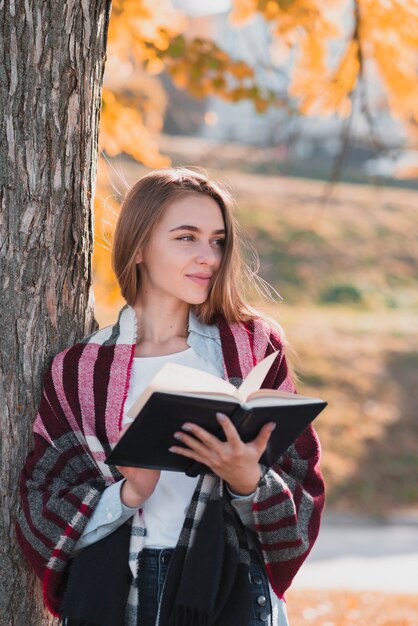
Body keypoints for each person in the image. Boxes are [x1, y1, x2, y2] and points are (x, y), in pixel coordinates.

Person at [17, 168, 325, 626]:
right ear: (139, 246)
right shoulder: (82, 368)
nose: (209, 257)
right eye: (187, 238)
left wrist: (247, 481)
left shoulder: (252, 346)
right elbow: (42, 507)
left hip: (229, 587)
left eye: (218, 241)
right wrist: (129, 492)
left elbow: (302, 483)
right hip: (120, 591)